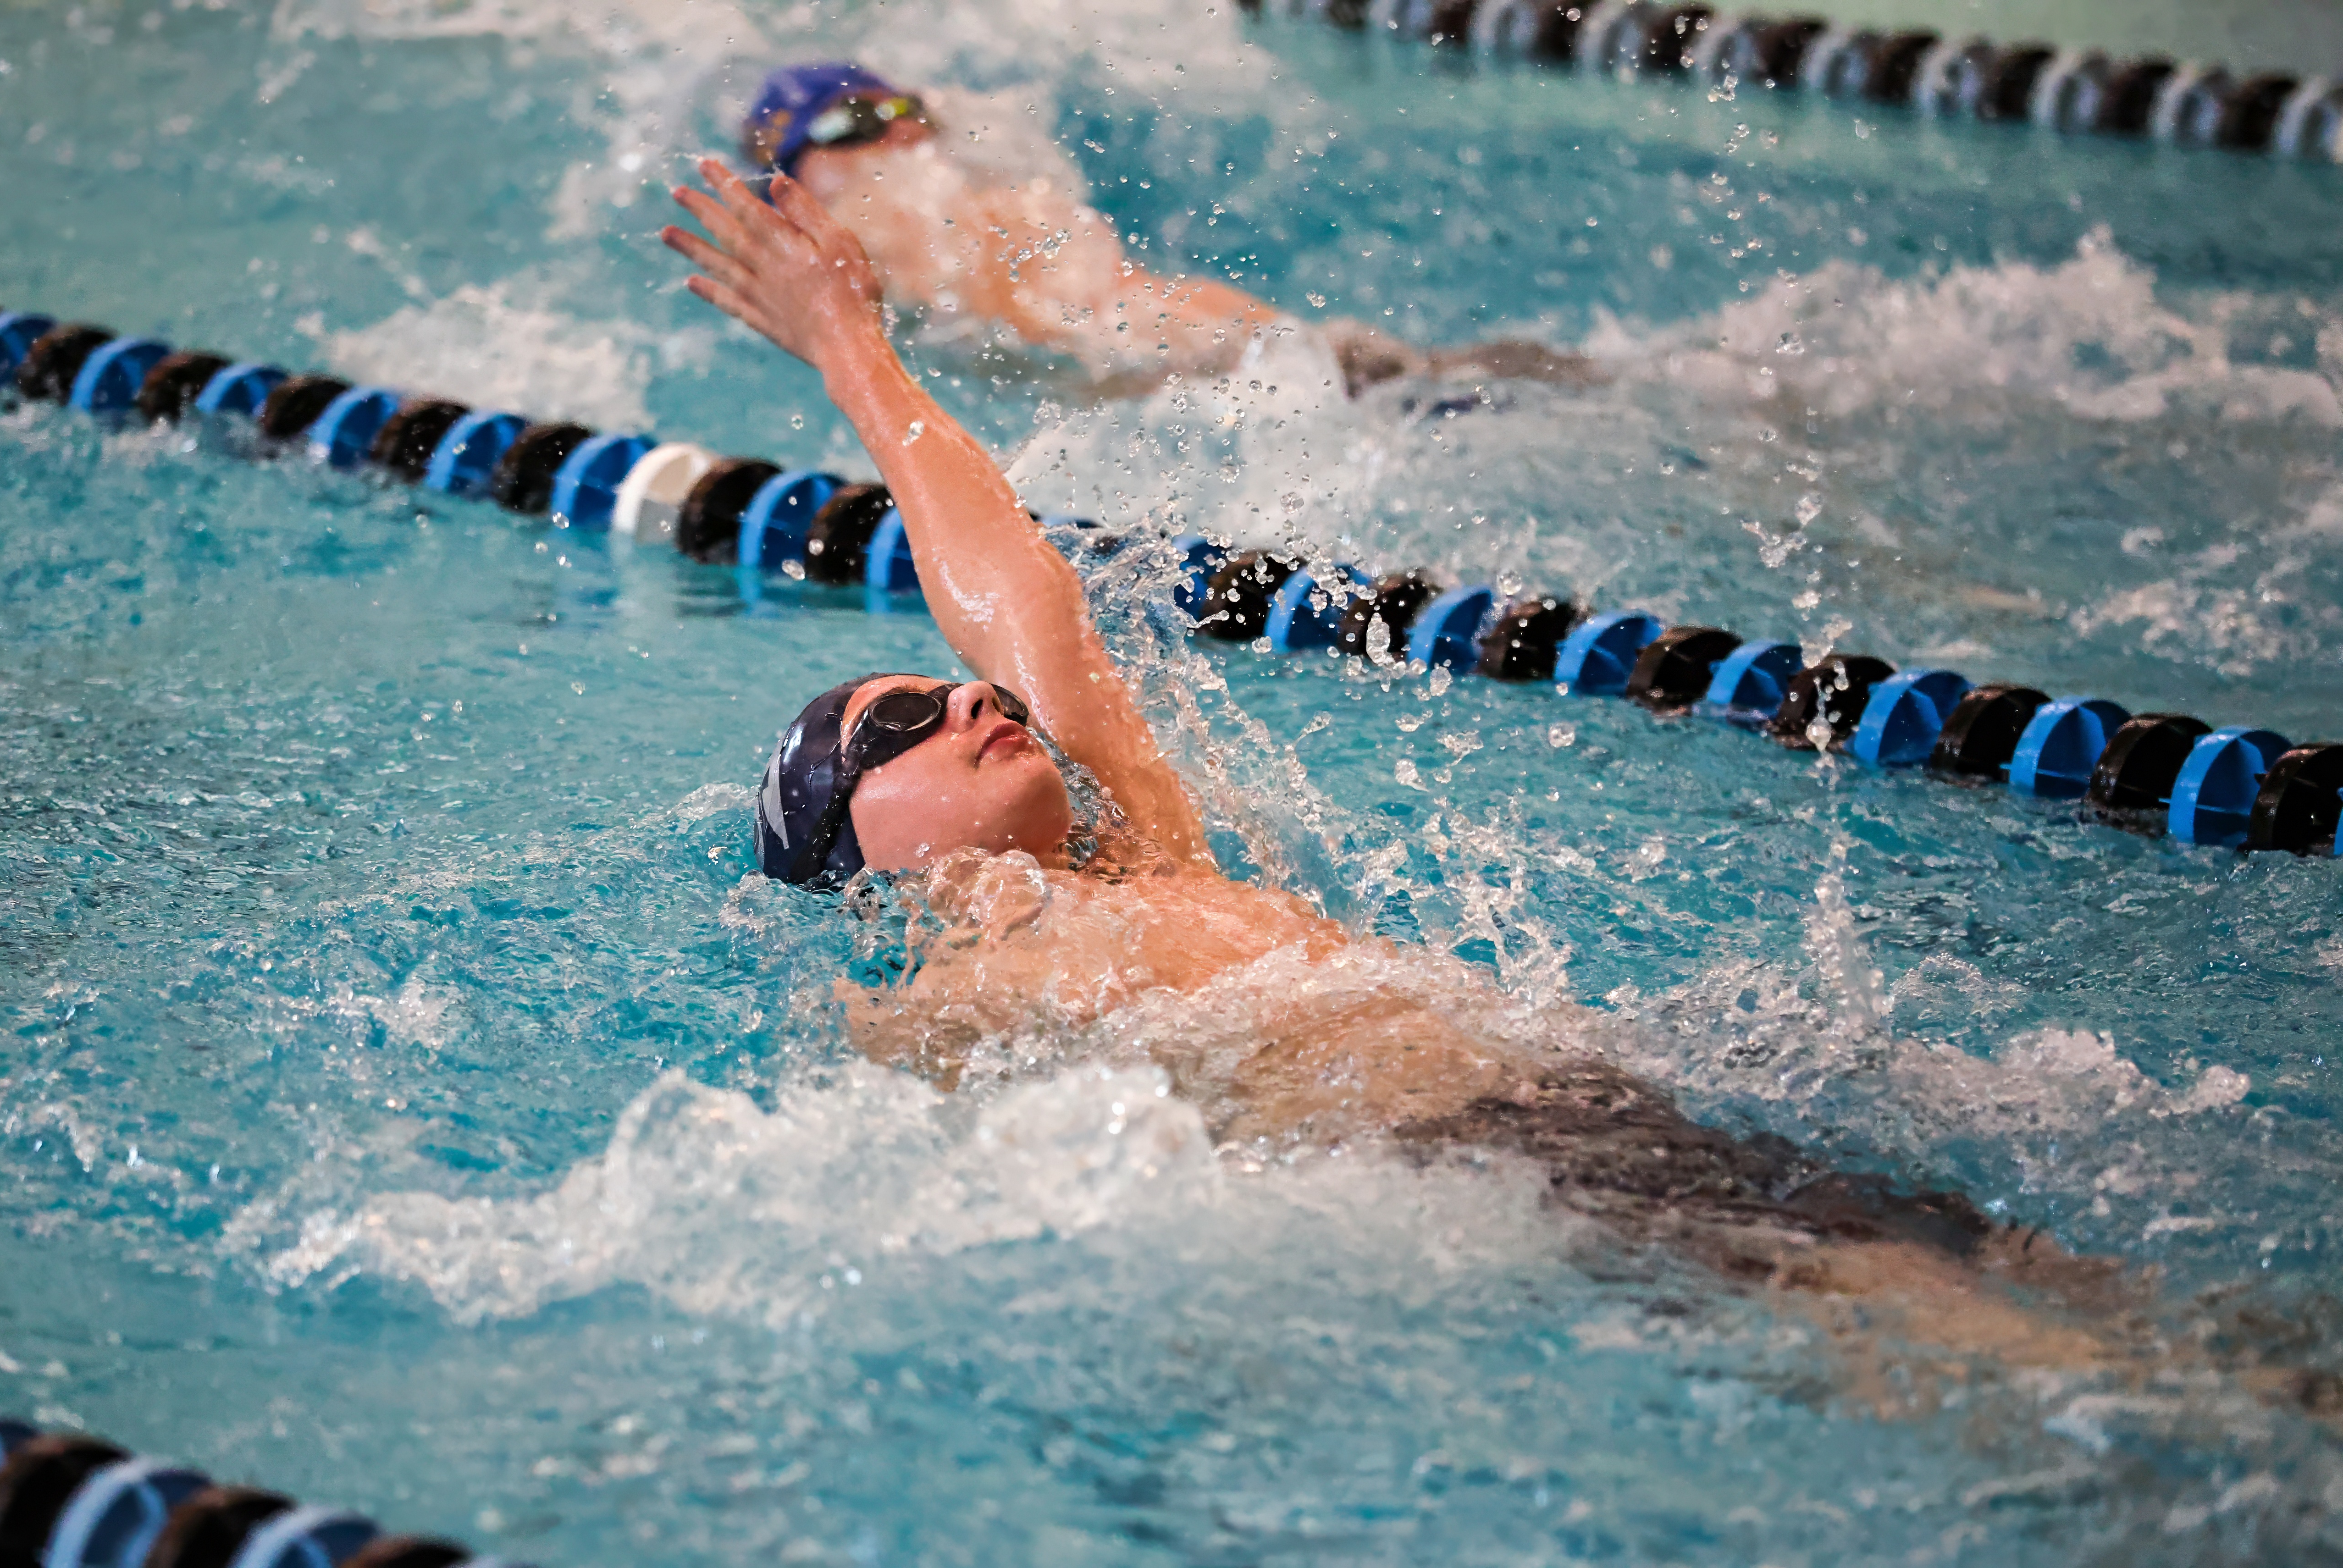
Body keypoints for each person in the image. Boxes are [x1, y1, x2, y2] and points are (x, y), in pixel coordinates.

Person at [662, 160, 2338, 1419]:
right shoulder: (934, 1006)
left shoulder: (1133, 851)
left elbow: (1012, 589)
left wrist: (852, 356)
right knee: (1992, 1351)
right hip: (1494, 1157)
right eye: (892, 738)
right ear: (858, 864)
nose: (955, 702)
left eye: (934, 695)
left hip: (1598, 1094)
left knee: (2040, 1288)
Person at [735, 62, 1598, 399]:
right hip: (1260, 353)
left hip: (1203, 372)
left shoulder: (880, 208)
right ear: (793, 171)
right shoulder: (939, 199)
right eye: (851, 125)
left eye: (900, 111)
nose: (892, 135)